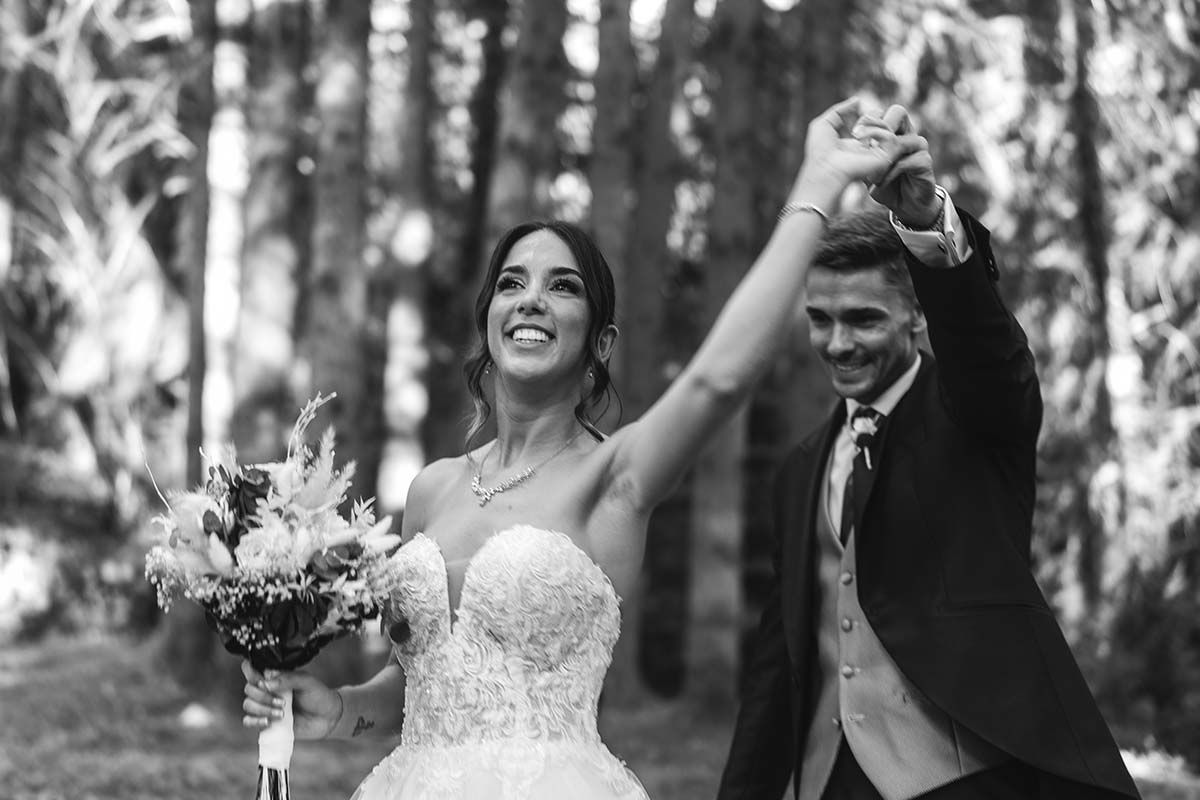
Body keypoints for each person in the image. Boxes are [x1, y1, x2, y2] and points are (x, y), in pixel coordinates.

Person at [239, 97, 898, 799]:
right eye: (511, 284)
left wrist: (816, 187)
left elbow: (720, 378)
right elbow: (420, 682)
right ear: (489, 318)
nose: (530, 300)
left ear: (599, 342)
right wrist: (336, 710)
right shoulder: (431, 488)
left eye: (563, 287)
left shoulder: (615, 476)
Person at [715, 106, 1140, 800]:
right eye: (820, 320)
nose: (838, 343)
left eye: (863, 319)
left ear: (915, 313)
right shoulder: (800, 468)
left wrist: (924, 221)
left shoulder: (977, 415)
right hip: (828, 777)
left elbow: (984, 345)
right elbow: (781, 657)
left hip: (971, 773)